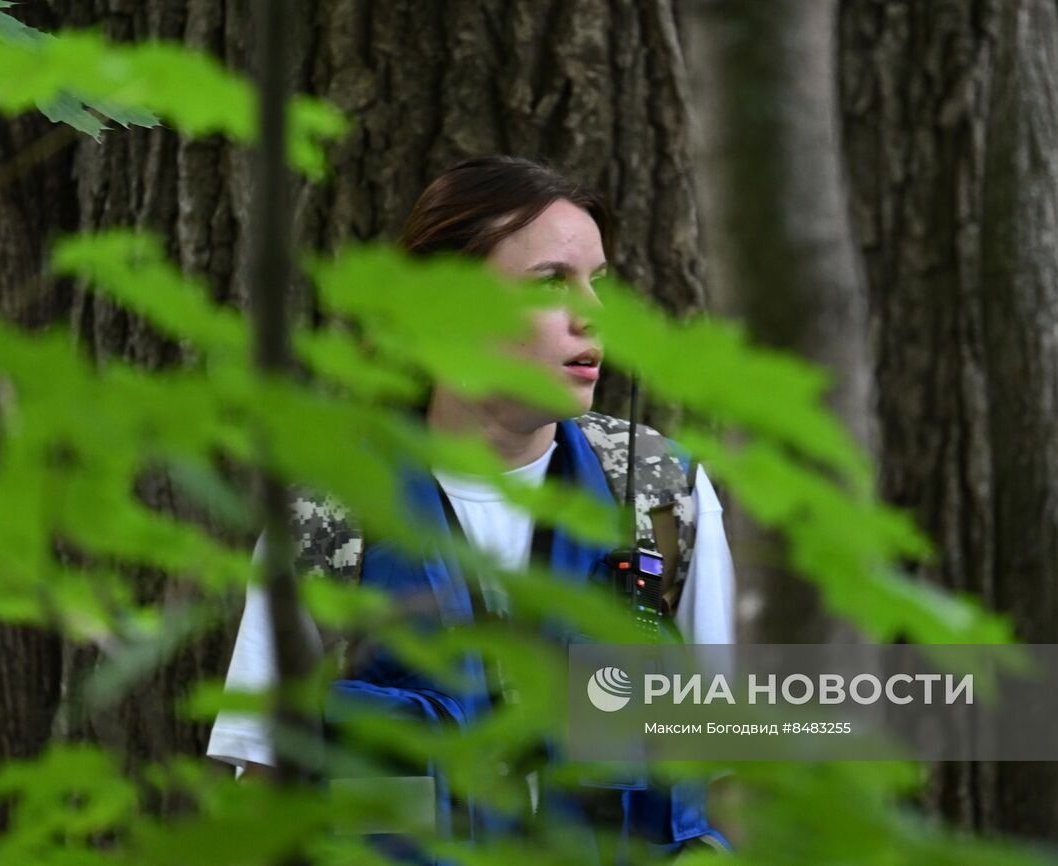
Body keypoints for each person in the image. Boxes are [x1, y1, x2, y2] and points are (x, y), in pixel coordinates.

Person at [206, 155, 736, 858]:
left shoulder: (661, 495)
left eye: (597, 283)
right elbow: (265, 788)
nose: (594, 314)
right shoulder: (329, 514)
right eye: (552, 282)